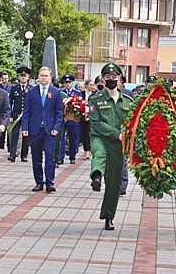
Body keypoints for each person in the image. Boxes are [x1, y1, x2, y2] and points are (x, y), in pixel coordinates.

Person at [88, 63, 133, 230]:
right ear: (103, 79)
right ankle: (96, 177)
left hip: (119, 144)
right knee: (99, 154)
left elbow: (131, 123)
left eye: (114, 77)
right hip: (100, 137)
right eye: (108, 77)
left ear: (120, 79)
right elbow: (96, 123)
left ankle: (108, 216)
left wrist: (124, 134)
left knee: (114, 183)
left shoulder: (128, 101)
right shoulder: (95, 99)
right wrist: (117, 133)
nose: (111, 80)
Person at [21, 66, 63, 193]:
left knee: (50, 157)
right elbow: (26, 111)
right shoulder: (31, 92)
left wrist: (56, 127)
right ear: (38, 77)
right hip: (35, 129)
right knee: (36, 156)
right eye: (41, 75)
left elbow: (59, 112)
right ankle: (39, 182)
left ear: (50, 77)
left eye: (46, 76)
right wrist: (25, 127)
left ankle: (50, 182)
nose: (43, 78)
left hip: (50, 130)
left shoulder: (56, 92)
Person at [8, 66, 31, 162]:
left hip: (27, 115)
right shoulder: (14, 88)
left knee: (26, 135)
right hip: (16, 115)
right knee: (14, 135)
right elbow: (10, 102)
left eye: (25, 76)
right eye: (21, 76)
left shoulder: (31, 88)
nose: (23, 78)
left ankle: (24, 155)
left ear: (28, 77)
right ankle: (13, 154)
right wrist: (10, 115)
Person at [59, 74, 82, 164]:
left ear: (72, 83)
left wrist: (73, 116)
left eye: (69, 82)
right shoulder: (60, 93)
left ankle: (72, 157)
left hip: (73, 119)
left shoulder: (77, 93)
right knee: (62, 138)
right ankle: (61, 157)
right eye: (66, 83)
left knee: (73, 138)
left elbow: (80, 106)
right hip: (63, 119)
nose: (67, 84)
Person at [0, 71, 12, 150]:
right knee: (1, 127)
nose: (5, 80)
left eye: (6, 78)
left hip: (7, 109)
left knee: (9, 128)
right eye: (4, 78)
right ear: (1, 79)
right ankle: (0, 145)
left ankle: (9, 146)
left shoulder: (10, 87)